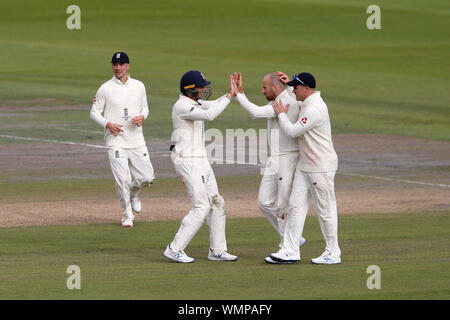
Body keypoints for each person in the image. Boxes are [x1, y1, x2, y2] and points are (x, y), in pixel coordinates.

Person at [231, 72, 306, 264]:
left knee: (282, 205)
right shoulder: (280, 100)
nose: (262, 90)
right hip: (275, 160)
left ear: (275, 87)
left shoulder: (285, 102)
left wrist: (239, 94)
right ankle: (294, 237)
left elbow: (255, 112)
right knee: (264, 202)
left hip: (287, 159)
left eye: (265, 88)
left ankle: (287, 248)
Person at [163, 70, 238, 263]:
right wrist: (229, 97)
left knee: (216, 202)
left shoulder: (195, 103)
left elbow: (212, 105)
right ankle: (174, 249)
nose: (204, 90)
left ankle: (217, 250)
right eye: (200, 87)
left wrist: (231, 92)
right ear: (189, 89)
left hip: (201, 159)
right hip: (187, 161)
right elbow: (210, 115)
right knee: (201, 206)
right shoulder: (181, 106)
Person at [270, 72, 341, 264]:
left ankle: (333, 253)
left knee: (325, 210)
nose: (292, 90)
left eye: (296, 87)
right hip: (305, 165)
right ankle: (291, 250)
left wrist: (282, 115)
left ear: (306, 88)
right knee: (295, 207)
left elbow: (292, 131)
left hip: (320, 167)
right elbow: (297, 98)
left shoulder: (315, 109)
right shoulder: (308, 102)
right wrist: (289, 83)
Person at [90, 52, 155, 228]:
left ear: (128, 66)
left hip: (136, 139)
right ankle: (127, 215)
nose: (117, 68)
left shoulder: (139, 86)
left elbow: (145, 107)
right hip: (115, 140)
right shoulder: (105, 88)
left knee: (147, 178)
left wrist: (142, 116)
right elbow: (94, 112)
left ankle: (134, 194)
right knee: (122, 179)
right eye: (114, 64)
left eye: (121, 64)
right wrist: (107, 124)